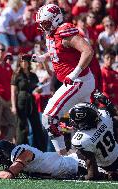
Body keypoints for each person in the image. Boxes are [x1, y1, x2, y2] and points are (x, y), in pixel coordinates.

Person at [29, 4, 95, 155]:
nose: (43, 26)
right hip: (80, 81)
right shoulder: (52, 33)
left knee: (49, 118)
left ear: (55, 19)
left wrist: (74, 73)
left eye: (45, 22)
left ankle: (62, 157)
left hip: (78, 81)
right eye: (41, 23)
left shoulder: (64, 30)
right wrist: (41, 58)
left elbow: (88, 51)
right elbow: (56, 50)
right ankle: (87, 158)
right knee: (84, 123)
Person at [70, 92, 118, 180]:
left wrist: (84, 178)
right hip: (116, 155)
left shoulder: (81, 139)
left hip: (105, 166)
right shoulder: (104, 116)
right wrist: (107, 103)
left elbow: (92, 175)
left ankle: (106, 174)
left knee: (73, 157)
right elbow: (114, 113)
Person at [0, 140, 89, 179]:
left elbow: (8, 174)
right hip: (74, 163)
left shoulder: (18, 152)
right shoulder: (20, 150)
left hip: (79, 164)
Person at [11, 54, 45, 151]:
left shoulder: (33, 75)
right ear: (19, 63)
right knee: (21, 125)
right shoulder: (16, 75)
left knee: (37, 125)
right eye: (22, 61)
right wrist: (13, 106)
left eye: (26, 61)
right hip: (21, 101)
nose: (24, 63)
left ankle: (40, 149)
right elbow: (13, 92)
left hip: (32, 100)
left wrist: (39, 90)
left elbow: (38, 88)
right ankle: (20, 149)